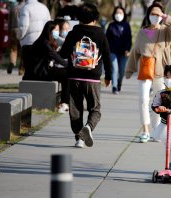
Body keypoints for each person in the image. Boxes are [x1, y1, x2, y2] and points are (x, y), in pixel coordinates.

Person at [125, 2, 171, 143]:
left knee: (160, 102)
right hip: (145, 71)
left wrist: (165, 17)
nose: (155, 16)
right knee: (143, 100)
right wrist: (129, 69)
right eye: (152, 14)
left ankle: (156, 129)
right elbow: (135, 52)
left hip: (162, 73)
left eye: (158, 14)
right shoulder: (141, 32)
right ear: (148, 15)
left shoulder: (165, 32)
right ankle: (145, 130)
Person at [60, 3, 113, 148]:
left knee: (75, 109)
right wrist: (108, 76)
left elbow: (63, 54)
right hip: (93, 78)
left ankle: (79, 139)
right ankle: (88, 127)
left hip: (74, 77)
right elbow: (107, 57)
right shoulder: (100, 34)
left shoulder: (73, 33)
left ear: (78, 18)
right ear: (95, 18)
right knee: (95, 109)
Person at [22, 21, 70, 111]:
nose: (57, 32)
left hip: (44, 69)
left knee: (66, 73)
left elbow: (56, 55)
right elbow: (54, 55)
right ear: (49, 31)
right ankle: (64, 103)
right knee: (67, 74)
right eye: (55, 30)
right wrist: (68, 65)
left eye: (58, 30)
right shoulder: (44, 42)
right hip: (39, 72)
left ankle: (65, 102)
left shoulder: (47, 41)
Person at [16, 0, 51, 76]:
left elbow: (23, 27)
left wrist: (19, 37)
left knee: (29, 70)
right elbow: (49, 25)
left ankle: (29, 87)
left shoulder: (25, 8)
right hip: (43, 43)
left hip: (29, 43)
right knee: (40, 69)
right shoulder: (44, 8)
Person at [106, 6, 132, 94]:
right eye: (117, 13)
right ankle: (114, 87)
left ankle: (119, 82)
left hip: (124, 52)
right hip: (113, 51)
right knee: (115, 69)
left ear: (124, 14)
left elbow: (129, 38)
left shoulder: (126, 25)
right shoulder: (111, 25)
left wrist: (127, 49)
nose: (118, 14)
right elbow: (106, 39)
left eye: (120, 13)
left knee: (122, 71)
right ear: (114, 14)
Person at [7, 0, 25, 74]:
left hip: (13, 29)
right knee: (23, 50)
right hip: (22, 30)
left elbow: (9, 20)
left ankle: (12, 62)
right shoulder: (26, 7)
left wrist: (9, 30)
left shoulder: (13, 7)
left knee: (13, 49)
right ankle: (21, 69)